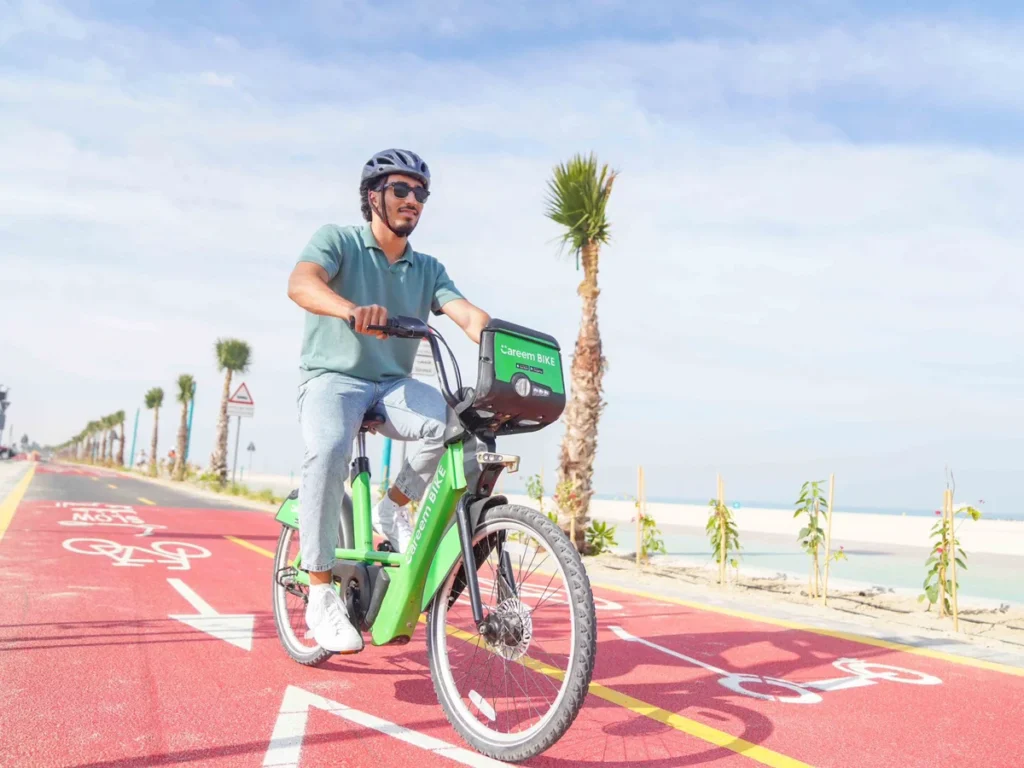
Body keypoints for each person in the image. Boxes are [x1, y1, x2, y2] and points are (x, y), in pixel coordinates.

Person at [287, 148, 491, 653]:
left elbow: (465, 315)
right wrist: (350, 310)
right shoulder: (339, 240)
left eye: (421, 193)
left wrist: (498, 341)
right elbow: (301, 283)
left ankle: (392, 507)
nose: (413, 200)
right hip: (332, 378)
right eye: (401, 190)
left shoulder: (427, 268)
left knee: (457, 430)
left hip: (391, 386)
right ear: (373, 196)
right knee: (330, 447)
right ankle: (318, 593)